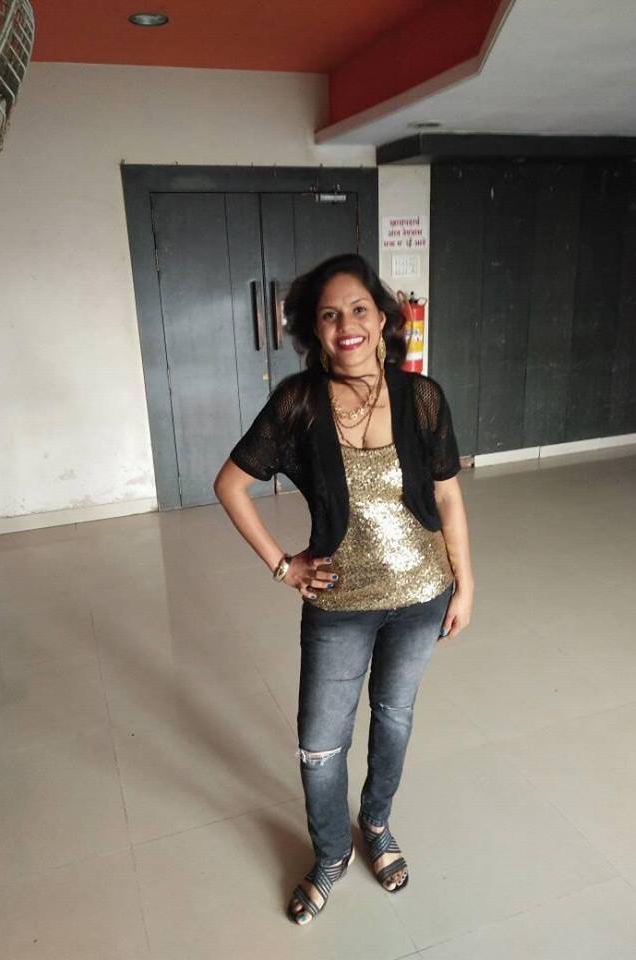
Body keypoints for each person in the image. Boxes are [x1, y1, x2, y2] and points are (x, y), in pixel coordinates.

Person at [213, 253, 474, 926]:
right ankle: (331, 851)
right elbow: (231, 484)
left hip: (421, 597)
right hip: (338, 606)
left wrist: (465, 585)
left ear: (383, 319)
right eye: (329, 314)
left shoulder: (422, 398)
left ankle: (376, 824)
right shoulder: (298, 403)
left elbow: (447, 496)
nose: (346, 324)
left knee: (394, 718)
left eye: (359, 309)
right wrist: (283, 565)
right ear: (315, 330)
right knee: (320, 743)